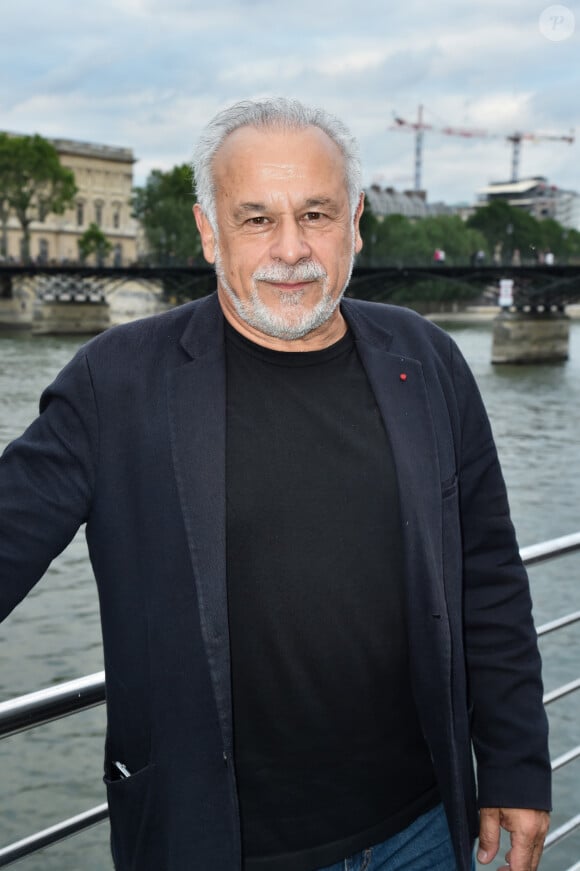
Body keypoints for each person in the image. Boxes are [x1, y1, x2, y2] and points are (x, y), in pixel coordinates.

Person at [0, 98, 551, 871]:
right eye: (256, 219)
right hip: (220, 845)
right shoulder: (116, 381)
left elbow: (489, 576)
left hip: (424, 826)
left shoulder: (425, 359)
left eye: (316, 214)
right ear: (207, 231)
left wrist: (516, 761)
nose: (291, 250)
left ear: (356, 220)